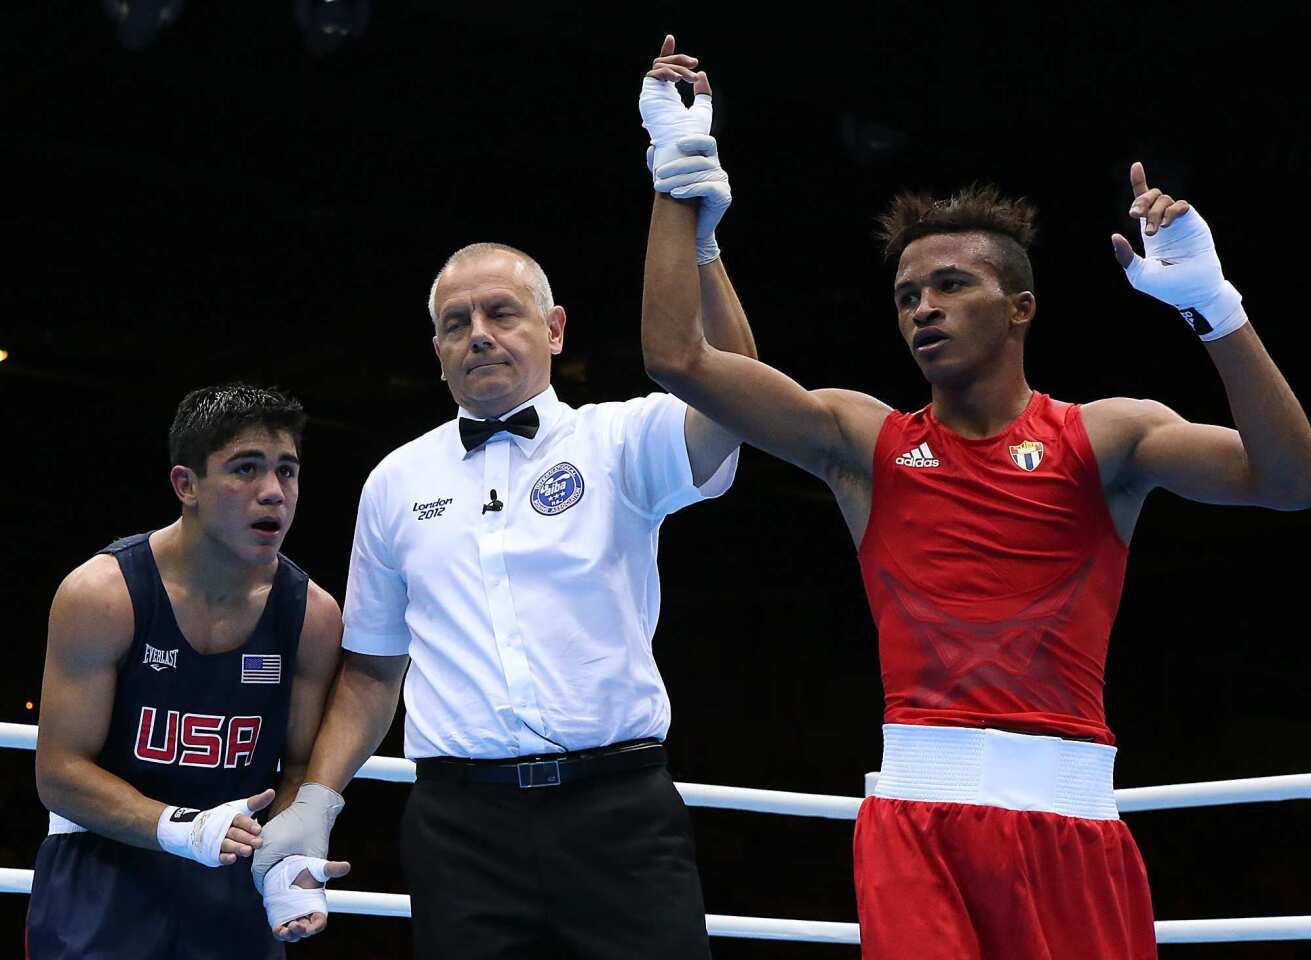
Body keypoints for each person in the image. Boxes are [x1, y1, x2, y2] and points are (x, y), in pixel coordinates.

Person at [638, 36, 1311, 960]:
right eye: (908, 292)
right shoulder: (862, 442)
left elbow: (1289, 481)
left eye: (952, 285)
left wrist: (1214, 308)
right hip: (916, 819)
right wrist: (679, 181)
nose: (923, 306)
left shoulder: (1107, 437)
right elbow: (677, 360)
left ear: (1020, 307)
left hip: (1071, 822)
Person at [252, 239, 757, 957]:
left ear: (553, 328)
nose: (478, 333)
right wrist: (317, 803)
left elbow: (738, 400)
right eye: (456, 323)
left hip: (616, 811)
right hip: (461, 829)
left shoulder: (618, 439)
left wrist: (701, 247)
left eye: (500, 313)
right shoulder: (395, 482)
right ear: (437, 350)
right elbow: (371, 671)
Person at [28, 383, 344, 960]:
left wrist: (288, 862)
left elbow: (299, 767)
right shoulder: (103, 595)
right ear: (186, 485)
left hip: (231, 889)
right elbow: (59, 772)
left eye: (287, 471)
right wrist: (180, 827)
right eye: (245, 469)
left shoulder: (312, 617)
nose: (273, 493)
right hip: (103, 879)